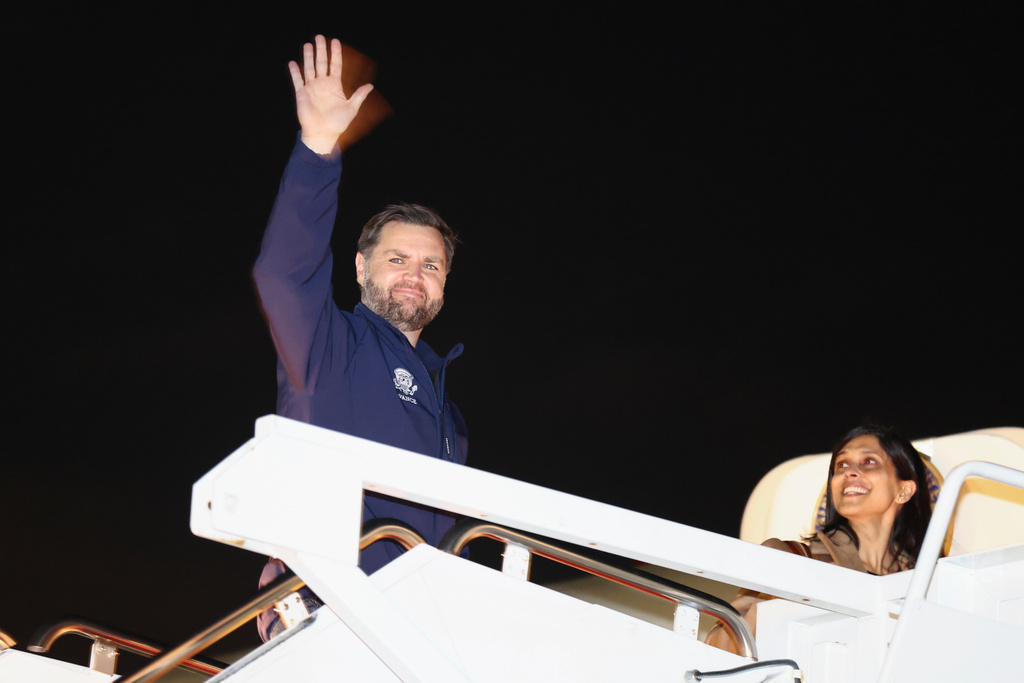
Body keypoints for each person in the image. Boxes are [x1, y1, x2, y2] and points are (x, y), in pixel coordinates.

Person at [251, 35, 468, 641]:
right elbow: (284, 272)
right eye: (397, 259)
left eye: (430, 266)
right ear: (359, 269)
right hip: (331, 611)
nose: (413, 276)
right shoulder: (328, 346)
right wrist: (318, 147)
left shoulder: (448, 411)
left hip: (420, 629)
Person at [705, 424, 933, 654]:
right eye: (841, 465)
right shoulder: (789, 559)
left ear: (904, 490)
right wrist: (790, 602)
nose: (848, 472)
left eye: (868, 462)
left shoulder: (928, 584)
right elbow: (717, 647)